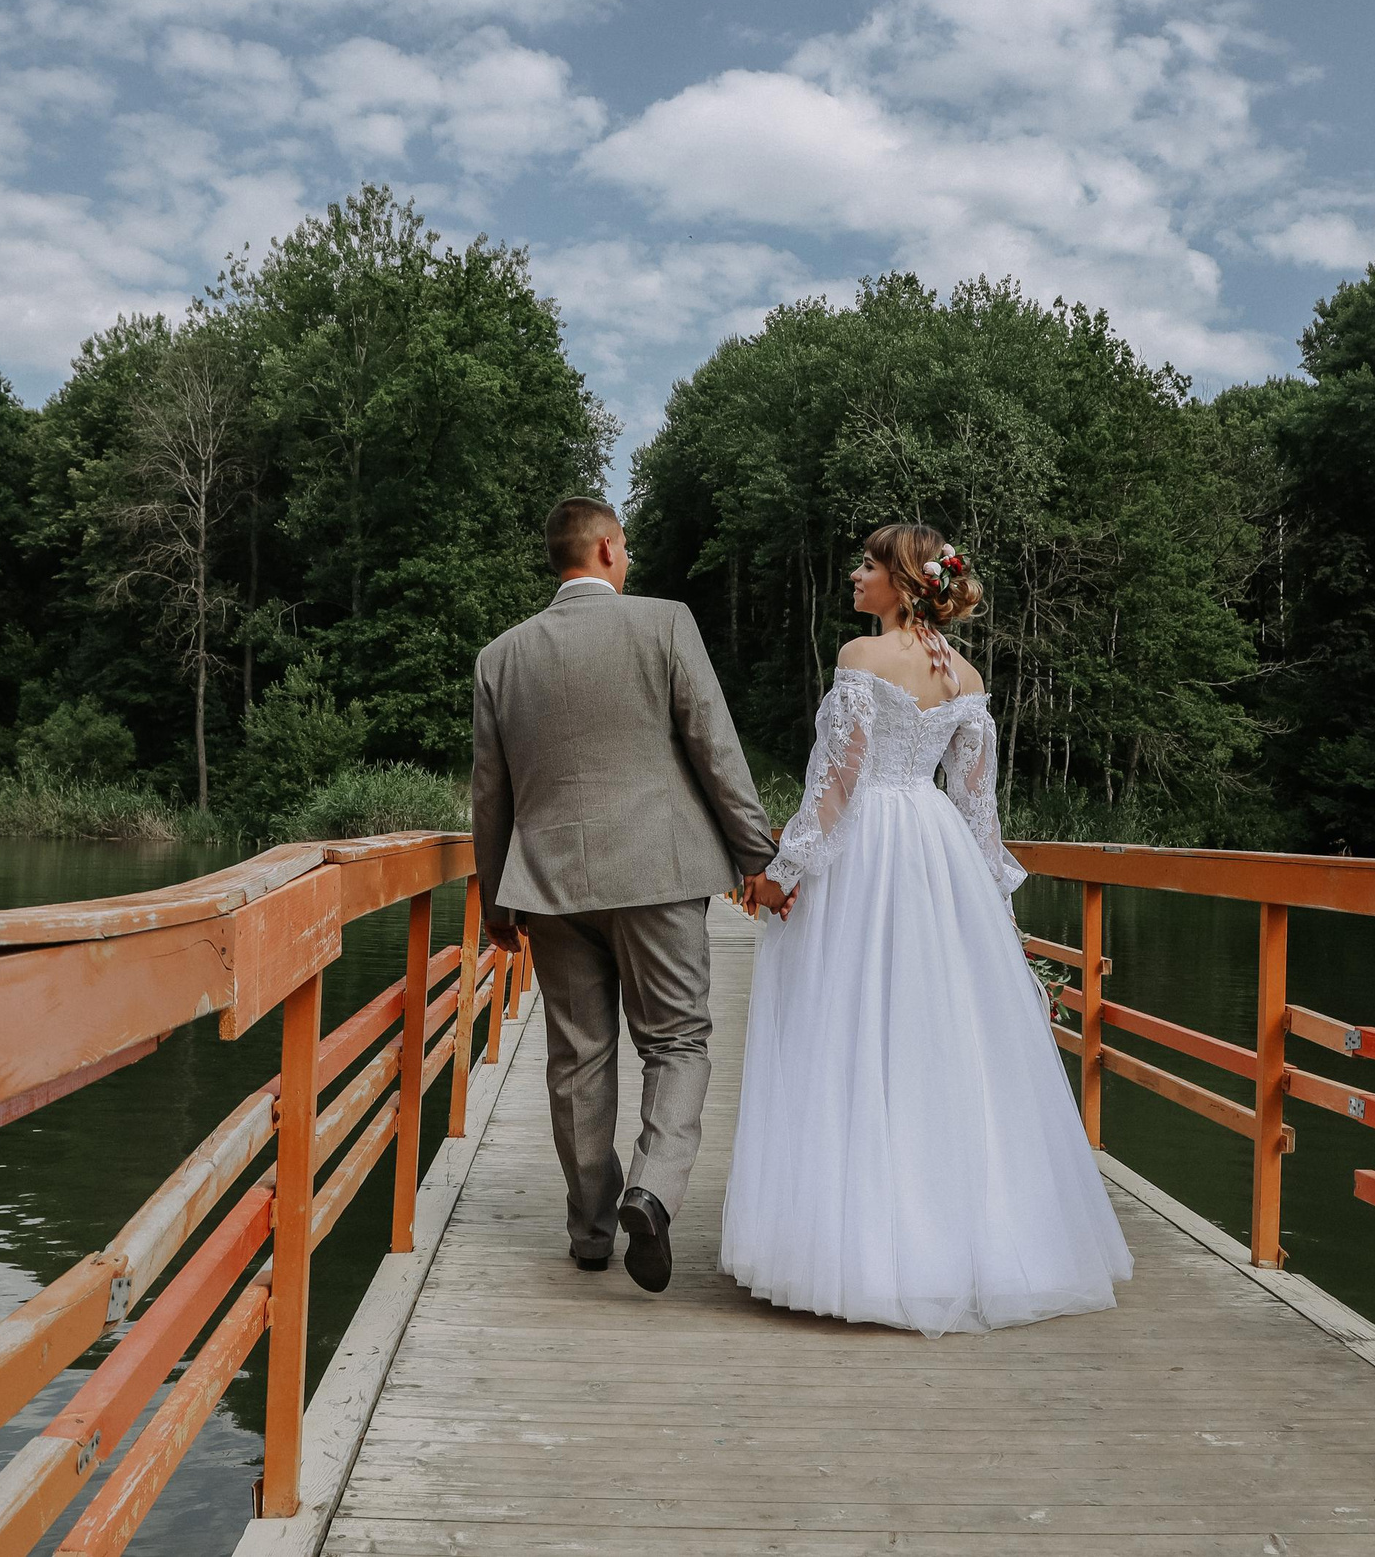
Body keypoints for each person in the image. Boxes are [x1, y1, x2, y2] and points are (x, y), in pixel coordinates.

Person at [723, 523, 1133, 1335]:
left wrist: (780, 875)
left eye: (868, 565)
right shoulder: (966, 676)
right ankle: (958, 1243)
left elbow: (835, 788)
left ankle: (859, 1249)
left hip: (866, 852)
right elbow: (979, 811)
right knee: (937, 1039)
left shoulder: (859, 660)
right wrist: (996, 917)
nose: (854, 575)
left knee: (848, 1030)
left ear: (905, 584)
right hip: (936, 852)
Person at [472, 497, 790, 1292]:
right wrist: (756, 853)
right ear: (610, 550)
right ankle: (652, 1189)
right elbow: (714, 746)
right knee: (676, 1041)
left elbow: (490, 793)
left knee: (577, 1058)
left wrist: (494, 903)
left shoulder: (499, 657)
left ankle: (590, 1231)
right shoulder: (665, 623)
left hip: (546, 883)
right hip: (660, 872)